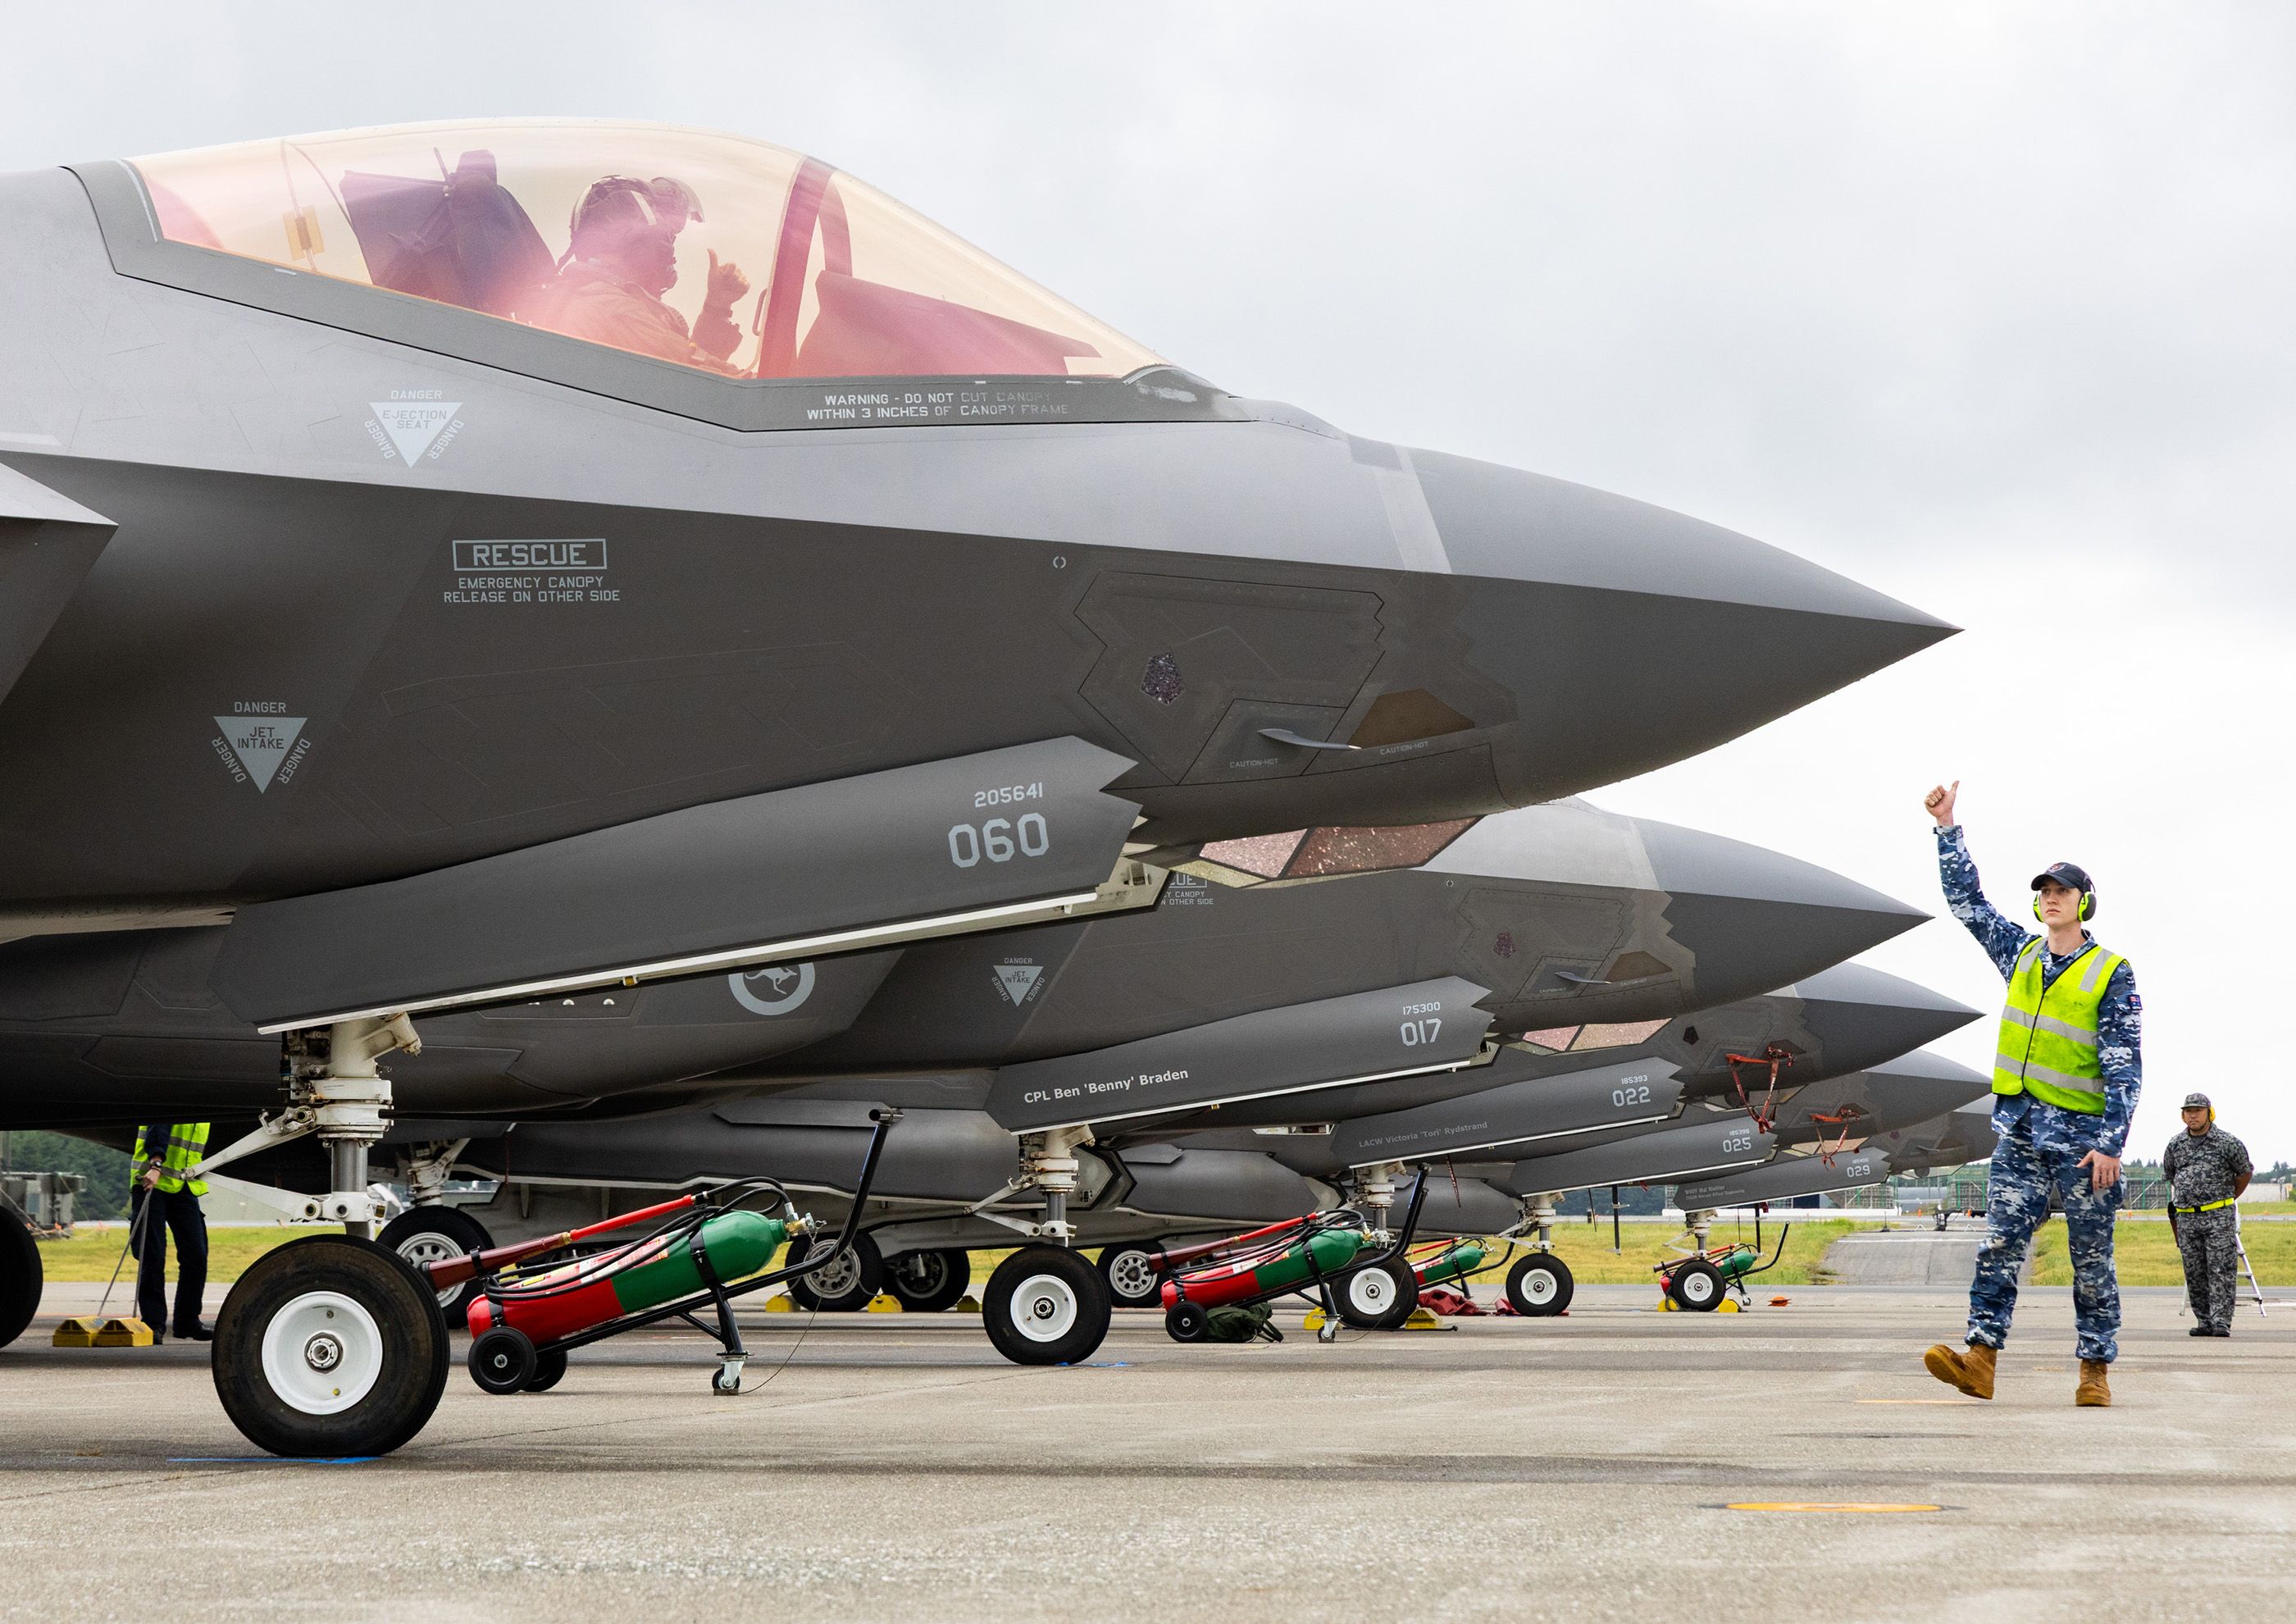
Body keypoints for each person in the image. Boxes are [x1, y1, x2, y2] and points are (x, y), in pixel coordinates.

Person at [1919, 781, 2141, 1407]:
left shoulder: (2110, 973)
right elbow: (1969, 905)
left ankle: (2094, 1371)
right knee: (1998, 1246)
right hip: (2019, 1132)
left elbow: (2126, 1068)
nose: (2049, 899)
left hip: (2082, 1143)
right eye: (2043, 892)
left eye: (2061, 891)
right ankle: (1980, 1360)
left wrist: (2110, 1145)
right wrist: (1947, 828)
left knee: (2090, 1260)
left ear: (2084, 903)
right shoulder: (2019, 955)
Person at [541, 175, 750, 372]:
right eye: (667, 238)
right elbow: (701, 379)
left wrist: (717, 305)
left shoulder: (598, 298)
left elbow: (684, 371)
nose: (670, 252)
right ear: (634, 240)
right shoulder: (611, 308)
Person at [2165, 1092, 2251, 1337]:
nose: (2193, 1115)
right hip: (2187, 1218)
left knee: (2221, 1269)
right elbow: (2172, 1175)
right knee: (2194, 1271)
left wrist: (2228, 1198)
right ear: (2183, 1115)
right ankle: (2204, 1320)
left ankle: (2221, 1321)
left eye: (2198, 1110)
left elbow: (2244, 1172)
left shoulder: (2227, 1142)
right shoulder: (2175, 1145)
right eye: (2189, 1111)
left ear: (2209, 1113)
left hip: (2218, 1217)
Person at [130, 1121, 212, 1343]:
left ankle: (187, 1321)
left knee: (196, 1255)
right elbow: (158, 1127)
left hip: (184, 1185)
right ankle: (153, 1323)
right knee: (153, 1255)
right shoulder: (174, 1092)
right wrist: (155, 1165)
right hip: (152, 1181)